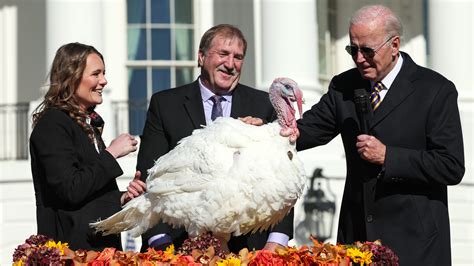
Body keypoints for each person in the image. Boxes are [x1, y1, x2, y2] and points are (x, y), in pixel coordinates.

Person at [285, 5, 464, 265]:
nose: (359, 58)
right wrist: (264, 132)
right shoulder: (344, 86)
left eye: (367, 50)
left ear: (394, 45)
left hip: (415, 245)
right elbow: (306, 130)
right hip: (357, 240)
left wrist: (388, 156)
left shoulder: (436, 91)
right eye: (352, 49)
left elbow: (451, 166)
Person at [135, 24, 293, 253]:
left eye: (238, 57)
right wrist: (162, 246)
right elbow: (149, 179)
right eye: (223, 54)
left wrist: (275, 245)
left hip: (249, 250)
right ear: (201, 56)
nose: (230, 64)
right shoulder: (165, 105)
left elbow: (282, 179)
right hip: (179, 246)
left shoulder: (263, 106)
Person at [30, 42, 147, 251]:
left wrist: (123, 197)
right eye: (96, 74)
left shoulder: (86, 124)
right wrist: (111, 153)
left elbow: (91, 194)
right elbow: (71, 189)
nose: (104, 81)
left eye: (104, 73)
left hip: (99, 251)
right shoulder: (53, 124)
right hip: (71, 253)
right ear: (71, 77)